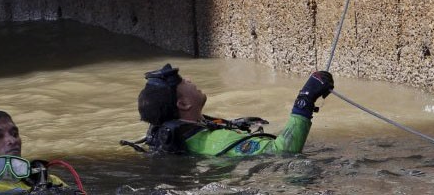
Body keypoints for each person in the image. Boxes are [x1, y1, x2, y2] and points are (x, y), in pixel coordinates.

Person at [123, 63, 334, 156]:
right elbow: (282, 152)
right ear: (184, 104)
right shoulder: (216, 141)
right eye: (181, 81)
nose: (188, 79)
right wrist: (304, 101)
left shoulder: (168, 133)